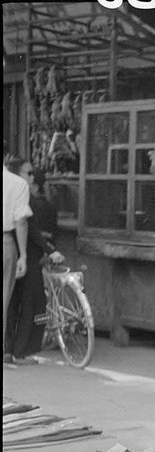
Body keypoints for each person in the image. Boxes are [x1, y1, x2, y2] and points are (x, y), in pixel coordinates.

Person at [6, 164, 64, 363]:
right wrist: (49, 250)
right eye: (28, 173)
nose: (32, 178)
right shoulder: (24, 194)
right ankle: (22, 351)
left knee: (12, 302)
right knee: (32, 303)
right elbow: (28, 227)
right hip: (27, 253)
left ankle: (8, 349)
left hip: (15, 249)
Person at [3, 143, 32, 361]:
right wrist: (23, 254)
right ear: (6, 156)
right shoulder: (18, 184)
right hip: (6, 244)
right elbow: (21, 221)